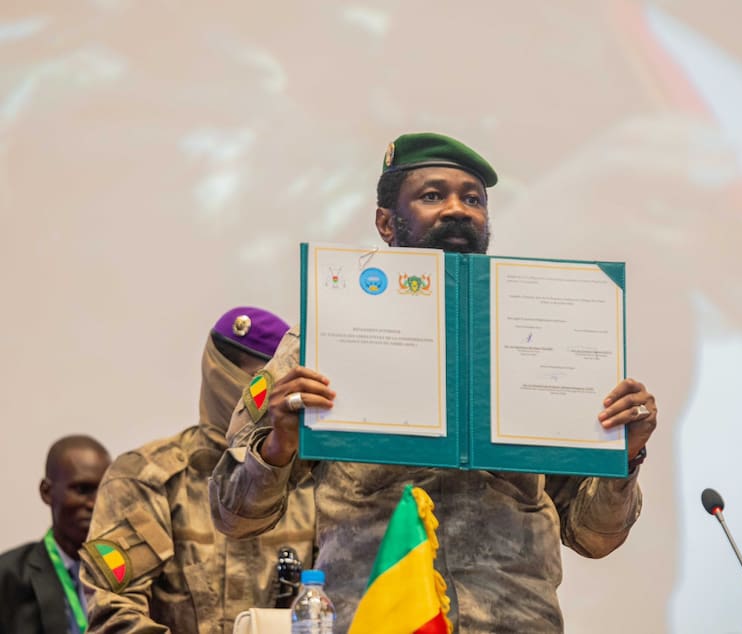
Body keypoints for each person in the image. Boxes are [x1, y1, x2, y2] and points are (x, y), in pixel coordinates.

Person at [209, 132, 659, 632]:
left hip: (516, 618)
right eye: (432, 195)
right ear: (385, 221)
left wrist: (627, 456)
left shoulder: (539, 337)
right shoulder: (324, 336)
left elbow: (595, 536)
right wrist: (278, 445)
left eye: (472, 199)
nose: (457, 209)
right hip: (381, 613)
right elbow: (234, 516)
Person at [79, 307, 317, 634]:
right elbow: (113, 612)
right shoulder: (147, 479)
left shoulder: (314, 481)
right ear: (222, 376)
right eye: (268, 386)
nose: (279, 403)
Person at [0, 435, 111, 634]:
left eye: (105, 491)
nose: (96, 504)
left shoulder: (126, 572)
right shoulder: (7, 577)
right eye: (82, 489)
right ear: (47, 492)